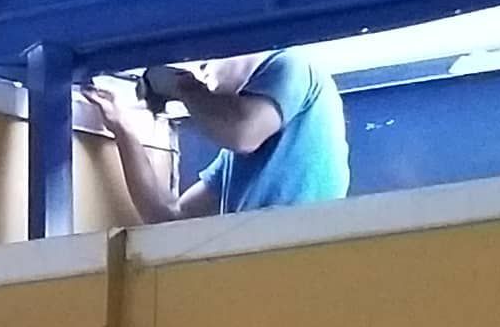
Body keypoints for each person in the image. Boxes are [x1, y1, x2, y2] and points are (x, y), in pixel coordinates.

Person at [83, 49, 349, 223]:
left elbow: (242, 132)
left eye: (205, 63)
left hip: (302, 255)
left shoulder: (294, 65)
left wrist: (184, 86)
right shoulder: (235, 162)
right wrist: (122, 129)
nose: (203, 74)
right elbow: (168, 216)